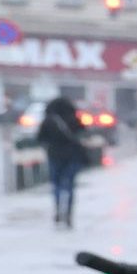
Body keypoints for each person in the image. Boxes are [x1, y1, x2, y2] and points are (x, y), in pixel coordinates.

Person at [35, 92, 92, 228]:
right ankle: (69, 213)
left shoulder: (48, 121)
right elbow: (83, 132)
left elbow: (40, 138)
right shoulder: (73, 118)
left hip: (54, 156)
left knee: (56, 185)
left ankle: (58, 209)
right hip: (72, 156)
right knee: (70, 185)